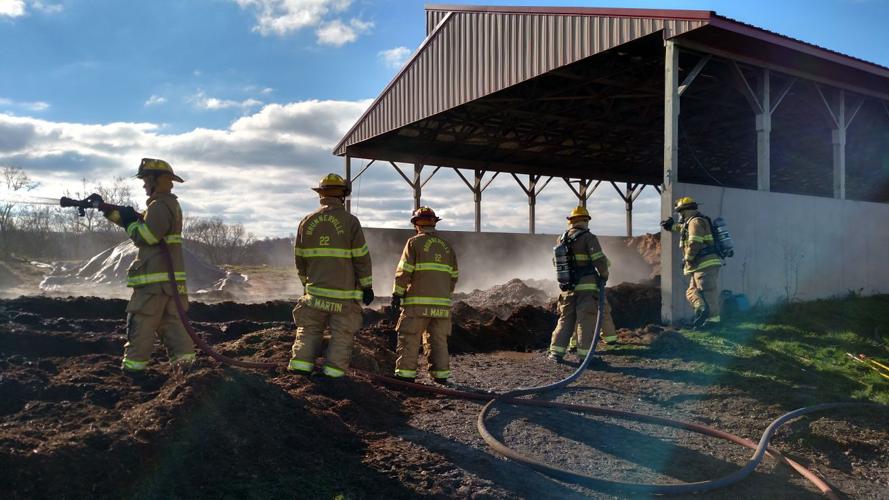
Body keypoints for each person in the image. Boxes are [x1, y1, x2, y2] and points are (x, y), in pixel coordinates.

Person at [100, 158, 195, 374]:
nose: (143, 185)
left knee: (140, 326)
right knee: (174, 327)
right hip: (168, 285)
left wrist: (131, 222)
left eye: (145, 180)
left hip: (153, 285)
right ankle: (187, 371)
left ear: (155, 180)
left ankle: (133, 373)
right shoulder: (167, 204)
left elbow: (147, 235)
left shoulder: (159, 206)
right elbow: (143, 223)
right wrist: (108, 210)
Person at [288, 174, 374, 379]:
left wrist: (306, 285)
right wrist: (366, 286)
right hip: (343, 296)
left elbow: (300, 259)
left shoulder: (306, 222)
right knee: (341, 335)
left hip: (315, 292)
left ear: (321, 195)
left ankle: (300, 367)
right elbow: (361, 257)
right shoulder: (350, 222)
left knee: (308, 330)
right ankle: (333, 374)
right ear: (343, 195)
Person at [390, 207, 458, 385]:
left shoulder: (413, 243)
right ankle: (441, 375)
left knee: (409, 337)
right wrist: (443, 294)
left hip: (417, 304)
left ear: (416, 224)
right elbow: (453, 276)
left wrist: (397, 293)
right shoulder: (447, 247)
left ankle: (405, 376)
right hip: (442, 306)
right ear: (434, 222)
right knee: (438, 340)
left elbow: (404, 271)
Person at [549, 206, 614, 362]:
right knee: (586, 320)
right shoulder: (588, 237)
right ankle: (585, 357)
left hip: (567, 287)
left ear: (571, 221)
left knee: (565, 320)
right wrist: (604, 276)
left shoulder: (561, 238)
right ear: (585, 220)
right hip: (587, 287)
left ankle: (556, 353)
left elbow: (555, 262)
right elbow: (599, 260)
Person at [660, 196, 723, 328]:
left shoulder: (695, 222)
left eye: (680, 212)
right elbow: (682, 228)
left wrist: (687, 259)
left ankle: (708, 317)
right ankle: (707, 315)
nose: (679, 215)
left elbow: (694, 242)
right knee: (698, 292)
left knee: (703, 292)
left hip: (704, 264)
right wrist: (671, 226)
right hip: (701, 264)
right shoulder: (692, 222)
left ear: (685, 211)